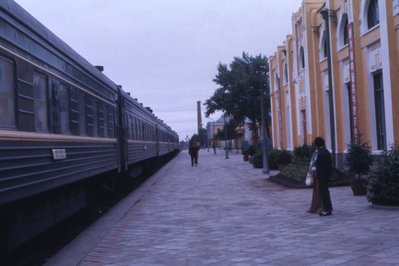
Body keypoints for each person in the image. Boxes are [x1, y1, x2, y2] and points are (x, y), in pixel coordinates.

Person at [314, 137, 333, 216]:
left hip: (322, 175)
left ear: (317, 144)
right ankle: (328, 208)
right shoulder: (325, 151)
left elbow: (324, 165)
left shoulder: (321, 153)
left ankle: (327, 210)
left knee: (324, 193)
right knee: (325, 192)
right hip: (325, 175)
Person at [307, 149, 324, 214]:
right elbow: (313, 162)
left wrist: (311, 170)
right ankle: (316, 206)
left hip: (318, 173)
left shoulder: (319, 152)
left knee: (319, 191)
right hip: (316, 173)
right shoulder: (317, 151)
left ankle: (320, 207)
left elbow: (313, 162)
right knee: (317, 190)